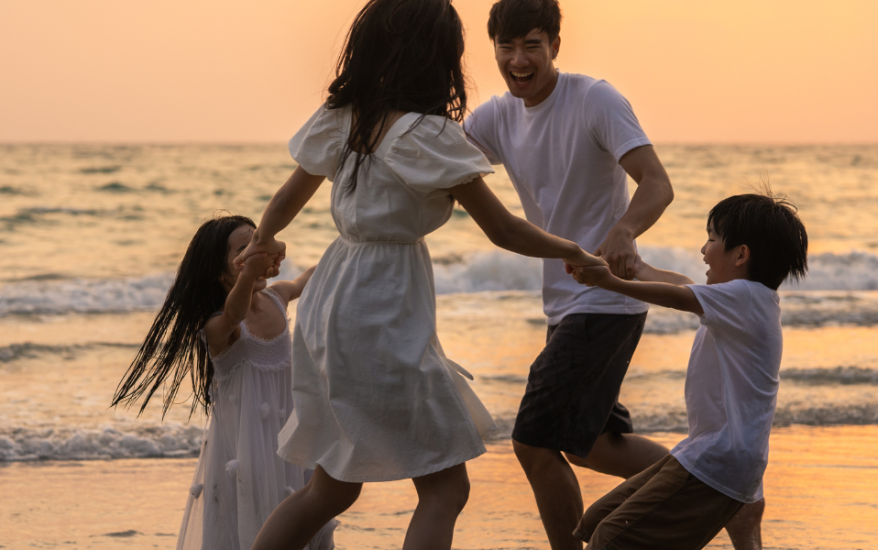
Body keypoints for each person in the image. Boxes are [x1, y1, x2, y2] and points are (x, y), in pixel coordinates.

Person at [239, 1, 605, 549]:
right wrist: (574, 249)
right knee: (444, 487)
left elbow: (291, 193)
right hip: (383, 304)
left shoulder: (347, 115)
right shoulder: (427, 135)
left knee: (332, 487)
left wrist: (264, 240)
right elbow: (503, 229)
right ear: (437, 57)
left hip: (332, 298)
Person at [462, 1, 675, 548]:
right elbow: (434, 164)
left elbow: (655, 182)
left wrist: (625, 230)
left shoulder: (594, 99)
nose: (518, 59)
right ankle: (715, 488)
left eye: (532, 44)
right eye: (506, 47)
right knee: (595, 445)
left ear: (555, 44)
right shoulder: (494, 117)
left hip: (608, 299)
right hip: (565, 303)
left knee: (533, 441)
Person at [568, 192, 808, 549]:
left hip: (717, 462)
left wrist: (608, 282)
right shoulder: (744, 301)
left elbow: (676, 296)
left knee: (610, 538)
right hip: (704, 453)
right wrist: (631, 266)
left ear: (741, 255)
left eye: (712, 239)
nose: (703, 249)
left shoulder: (745, 297)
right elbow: (679, 284)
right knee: (596, 522)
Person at [111, 215, 336, 550]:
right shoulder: (218, 326)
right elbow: (234, 312)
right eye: (244, 250)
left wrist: (352, 243)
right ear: (221, 273)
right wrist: (252, 268)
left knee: (305, 520)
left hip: (290, 443)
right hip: (246, 455)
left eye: (258, 243)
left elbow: (311, 278)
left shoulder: (277, 298)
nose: (257, 252)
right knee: (251, 527)